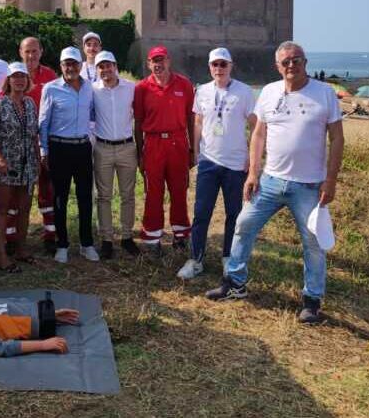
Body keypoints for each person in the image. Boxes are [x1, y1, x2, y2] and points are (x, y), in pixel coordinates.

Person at [206, 41, 343, 325]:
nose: (291, 65)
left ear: (305, 62)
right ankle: (235, 283)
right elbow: (259, 134)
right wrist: (253, 173)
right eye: (285, 62)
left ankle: (312, 301)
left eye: (296, 60)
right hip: (270, 180)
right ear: (277, 66)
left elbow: (337, 138)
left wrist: (330, 180)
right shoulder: (269, 92)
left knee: (313, 243)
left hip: (308, 186)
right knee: (244, 225)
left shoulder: (324, 93)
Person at [178, 48, 256, 280]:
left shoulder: (244, 92)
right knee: (201, 213)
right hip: (208, 162)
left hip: (235, 164)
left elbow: (256, 125)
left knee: (234, 214)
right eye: (215, 64)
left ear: (231, 66)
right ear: (209, 67)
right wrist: (195, 152)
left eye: (223, 64)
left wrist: (252, 158)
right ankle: (196, 260)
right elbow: (198, 122)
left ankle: (228, 259)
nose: (219, 68)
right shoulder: (202, 91)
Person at [133, 46, 194, 254]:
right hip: (153, 143)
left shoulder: (184, 84)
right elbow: (138, 122)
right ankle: (152, 237)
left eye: (161, 60)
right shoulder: (142, 88)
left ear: (168, 60)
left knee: (179, 190)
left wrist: (192, 149)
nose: (158, 64)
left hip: (178, 142)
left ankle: (181, 235)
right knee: (153, 192)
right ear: (148, 64)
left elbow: (190, 117)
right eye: (154, 61)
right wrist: (139, 153)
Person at [39, 47, 96, 264]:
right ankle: (62, 244)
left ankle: (86, 243)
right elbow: (43, 123)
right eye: (66, 64)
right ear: (61, 66)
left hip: (82, 147)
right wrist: (44, 151)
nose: (70, 68)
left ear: (80, 65)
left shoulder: (89, 87)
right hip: (59, 148)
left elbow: (93, 114)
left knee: (85, 197)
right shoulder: (51, 88)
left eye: (74, 63)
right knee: (60, 198)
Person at [0, 63, 40, 272]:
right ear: (8, 80)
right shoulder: (0, 104)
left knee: (24, 208)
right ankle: (2, 255)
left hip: (28, 165)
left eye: (23, 76)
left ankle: (21, 249)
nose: (19, 80)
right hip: (5, 166)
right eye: (15, 76)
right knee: (2, 209)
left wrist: (38, 159)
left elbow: (34, 134)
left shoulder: (30, 103)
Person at [11, 36, 59, 255]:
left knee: (47, 189)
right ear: (20, 52)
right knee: (17, 191)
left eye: (34, 51)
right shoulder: (13, 75)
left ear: (41, 52)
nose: (31, 55)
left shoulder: (49, 76)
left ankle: (50, 234)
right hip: (19, 144)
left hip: (45, 141)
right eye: (27, 51)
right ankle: (11, 236)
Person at [91, 51, 139, 258]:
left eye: (108, 65)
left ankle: (127, 237)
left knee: (128, 195)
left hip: (127, 147)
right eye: (101, 66)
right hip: (102, 147)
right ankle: (107, 239)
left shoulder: (131, 87)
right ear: (97, 70)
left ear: (115, 66)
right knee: (103, 196)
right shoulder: (92, 90)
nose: (105, 70)